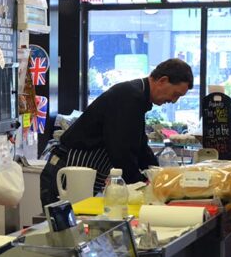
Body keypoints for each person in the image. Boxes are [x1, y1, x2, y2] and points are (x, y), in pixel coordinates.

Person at [40, 58, 194, 207]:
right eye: (176, 94)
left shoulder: (138, 97)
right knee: (66, 230)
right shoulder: (130, 97)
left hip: (84, 177)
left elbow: (141, 148)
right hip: (66, 174)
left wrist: (158, 178)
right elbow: (121, 152)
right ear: (162, 80)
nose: (173, 101)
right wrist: (143, 187)